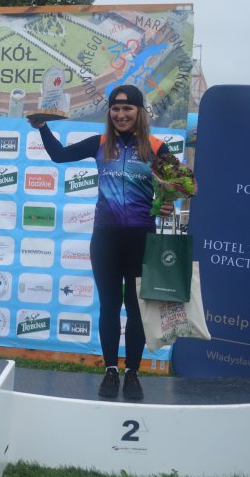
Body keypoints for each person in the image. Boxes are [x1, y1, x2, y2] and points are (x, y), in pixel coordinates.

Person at [27, 85, 173, 400]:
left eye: (127, 108)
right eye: (115, 109)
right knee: (109, 305)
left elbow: (182, 185)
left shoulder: (156, 147)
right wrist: (42, 127)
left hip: (142, 239)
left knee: (136, 308)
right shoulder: (101, 143)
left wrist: (167, 201)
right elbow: (59, 155)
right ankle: (109, 370)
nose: (121, 115)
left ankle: (132, 372)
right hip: (106, 239)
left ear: (139, 111)